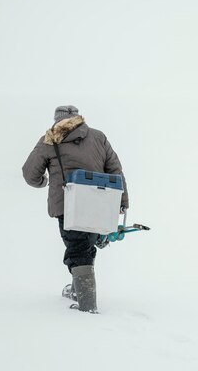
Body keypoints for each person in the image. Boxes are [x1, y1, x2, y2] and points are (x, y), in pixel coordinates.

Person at [22, 105, 129, 313]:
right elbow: (115, 170)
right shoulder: (98, 137)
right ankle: (77, 290)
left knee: (78, 249)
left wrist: (43, 182)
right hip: (100, 202)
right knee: (84, 245)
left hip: (68, 205)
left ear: (56, 120)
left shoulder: (50, 139)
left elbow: (29, 174)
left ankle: (87, 305)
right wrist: (122, 201)